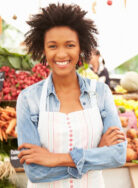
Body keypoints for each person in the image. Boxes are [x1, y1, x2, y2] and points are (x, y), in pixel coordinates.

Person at [16, 4, 126, 187]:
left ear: (80, 48)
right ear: (43, 49)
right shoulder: (28, 99)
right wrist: (98, 153)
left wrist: (56, 159)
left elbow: (118, 155)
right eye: (52, 46)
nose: (61, 54)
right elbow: (35, 172)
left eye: (70, 45)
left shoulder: (100, 92)